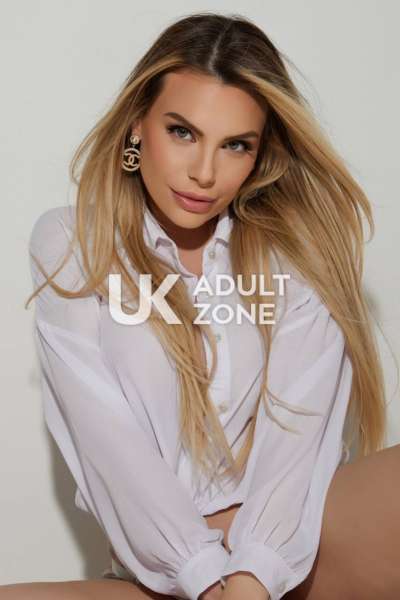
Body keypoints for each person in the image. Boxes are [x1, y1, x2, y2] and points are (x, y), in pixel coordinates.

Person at [7, 10, 399, 600]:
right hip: (165, 572)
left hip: (298, 547)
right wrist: (203, 577)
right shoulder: (74, 244)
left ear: (259, 155)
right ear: (137, 125)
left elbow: (296, 439)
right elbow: (110, 448)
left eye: (235, 145)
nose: (205, 173)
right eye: (182, 133)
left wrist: (250, 580)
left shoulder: (295, 254)